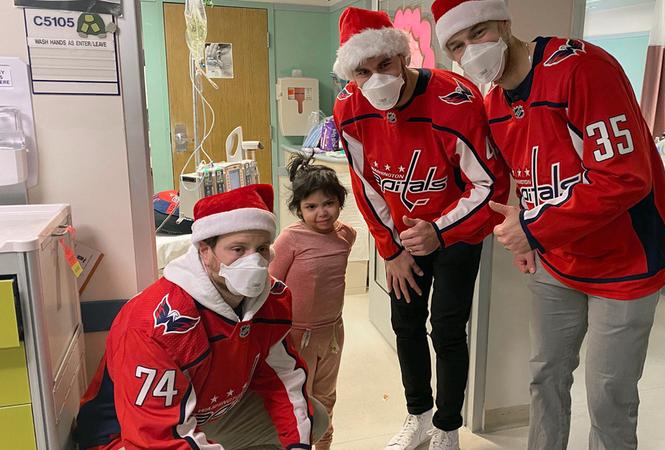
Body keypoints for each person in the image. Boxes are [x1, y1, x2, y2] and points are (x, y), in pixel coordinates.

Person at [431, 1, 665, 449]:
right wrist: (525, 238)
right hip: (556, 262)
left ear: (505, 24)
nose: (470, 50)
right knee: (545, 377)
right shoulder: (493, 103)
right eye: (456, 45)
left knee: (610, 397)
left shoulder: (580, 69)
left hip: (625, 263)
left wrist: (533, 230)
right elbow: (522, 183)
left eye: (479, 33)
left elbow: (625, 177)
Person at [332, 7, 509, 450]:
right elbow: (365, 182)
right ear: (351, 74)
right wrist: (390, 249)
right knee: (405, 325)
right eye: (363, 71)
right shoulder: (349, 110)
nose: (376, 79)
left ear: (401, 56)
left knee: (447, 329)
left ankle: (447, 428)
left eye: (384, 65)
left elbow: (489, 183)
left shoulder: (456, 99)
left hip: (457, 233)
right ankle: (418, 416)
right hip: (402, 238)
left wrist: (440, 231)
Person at [74, 184, 328, 450]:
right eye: (238, 249)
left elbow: (282, 379)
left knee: (314, 417)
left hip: (206, 411)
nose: (254, 263)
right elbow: (156, 438)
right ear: (205, 251)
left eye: (262, 248)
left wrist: (298, 445)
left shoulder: (270, 301)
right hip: (129, 435)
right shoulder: (155, 324)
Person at [270, 155, 356, 450]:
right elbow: (271, 286)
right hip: (296, 335)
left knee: (326, 396)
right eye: (311, 206)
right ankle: (299, 444)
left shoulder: (346, 234)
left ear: (340, 203)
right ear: (298, 209)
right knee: (300, 399)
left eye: (329, 203)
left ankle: (324, 445)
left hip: (332, 333)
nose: (322, 212)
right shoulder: (289, 240)